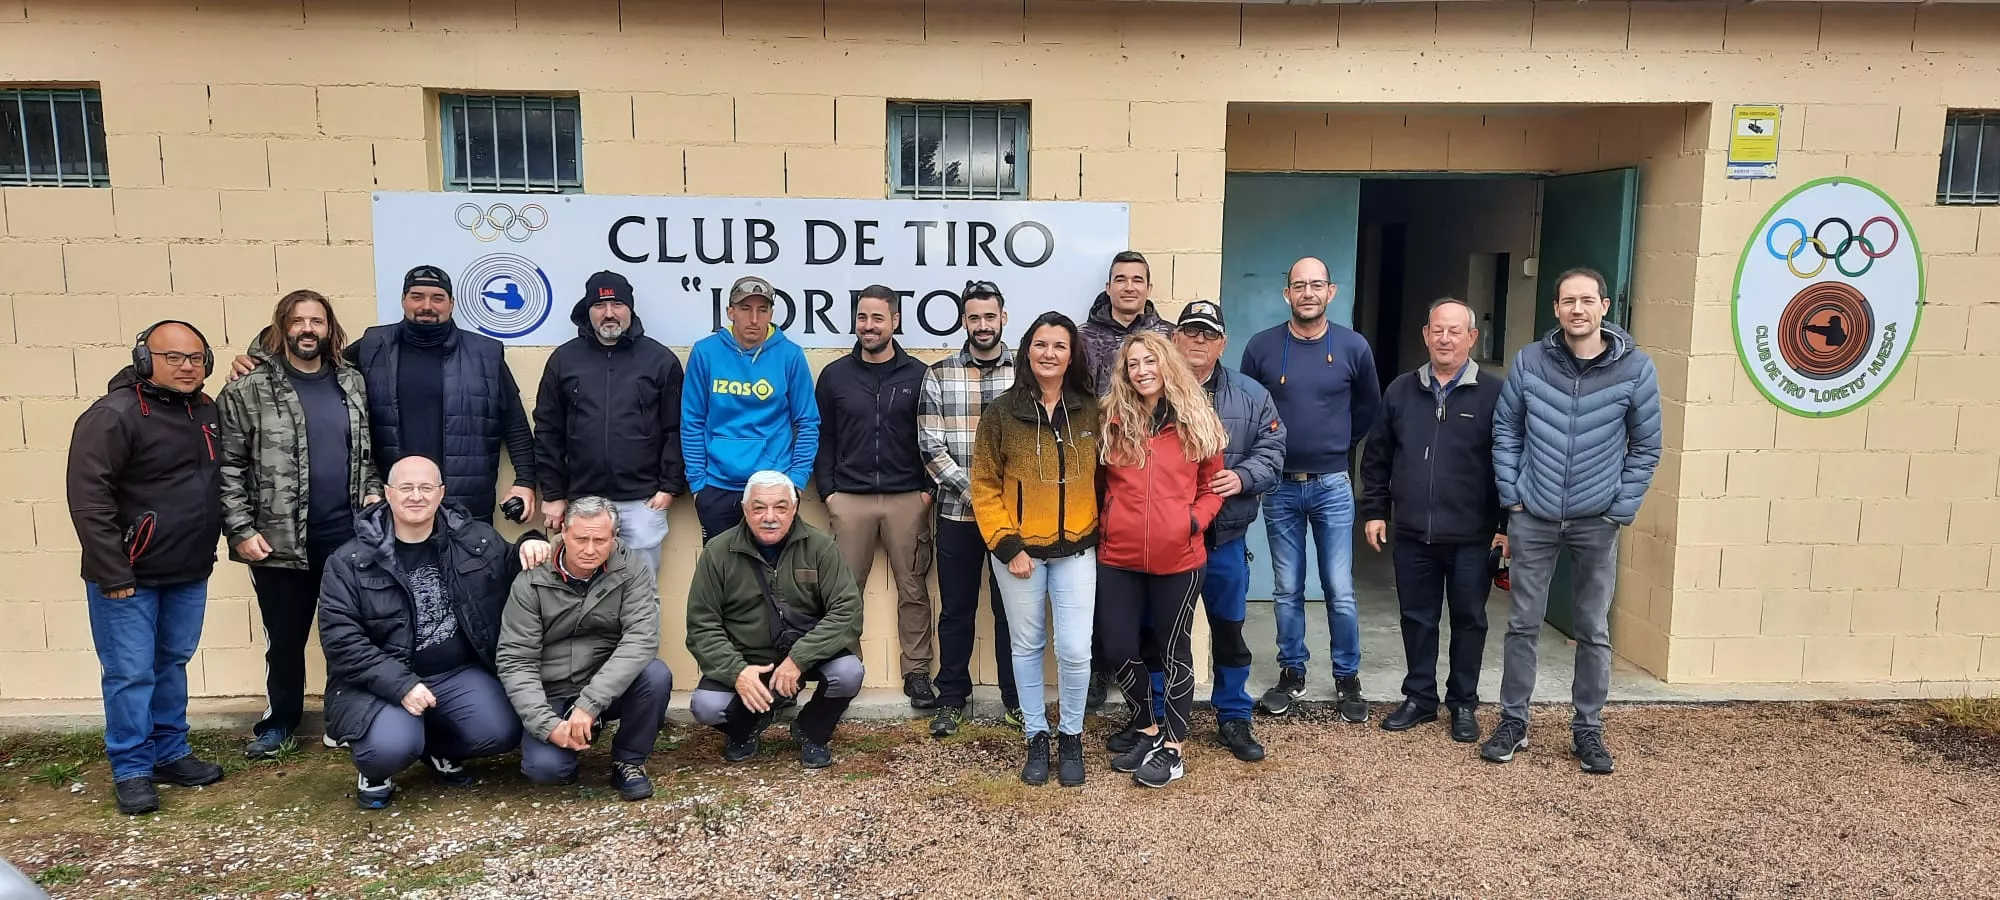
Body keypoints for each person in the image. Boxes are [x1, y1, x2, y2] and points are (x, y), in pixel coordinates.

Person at [1485, 268, 1661, 775]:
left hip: (1596, 519)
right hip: (1533, 516)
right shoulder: (1531, 361)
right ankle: (1514, 721)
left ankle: (1587, 730)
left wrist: (1619, 507)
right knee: (1522, 624)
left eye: (1587, 300)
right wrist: (1512, 496)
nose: (1577, 309)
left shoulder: (1636, 369)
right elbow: (1507, 429)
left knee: (1591, 627)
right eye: (1568, 301)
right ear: (1556, 308)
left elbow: (1646, 446)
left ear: (1605, 306)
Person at [318, 457, 550, 809]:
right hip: (383, 681)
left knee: (503, 730)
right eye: (406, 488)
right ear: (387, 494)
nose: (416, 496)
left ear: (440, 493)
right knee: (390, 748)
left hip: (455, 672)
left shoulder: (474, 538)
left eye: (426, 488)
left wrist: (530, 542)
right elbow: (342, 641)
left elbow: (508, 564)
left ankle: (436, 749)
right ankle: (377, 770)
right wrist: (401, 685)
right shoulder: (350, 560)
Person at [66, 320, 227, 816]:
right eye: (173, 357)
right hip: (127, 578)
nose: (186, 366)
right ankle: (132, 767)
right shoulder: (112, 416)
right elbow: (89, 500)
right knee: (130, 674)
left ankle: (170, 752)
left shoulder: (205, 409)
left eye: (195, 357)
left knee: (171, 663)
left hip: (187, 568)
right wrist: (112, 572)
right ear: (144, 359)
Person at [229, 265, 538, 523]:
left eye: (437, 298)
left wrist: (525, 481)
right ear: (403, 300)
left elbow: (514, 424)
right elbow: (312, 361)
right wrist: (258, 359)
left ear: (451, 303)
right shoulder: (374, 345)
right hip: (391, 501)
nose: (426, 306)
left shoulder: (485, 353)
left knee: (467, 591)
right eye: (417, 296)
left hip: (465, 501)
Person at [217, 290, 382, 759]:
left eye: (317, 321)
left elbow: (366, 452)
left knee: (346, 634)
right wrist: (241, 530)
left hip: (345, 535)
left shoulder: (352, 382)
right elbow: (227, 465)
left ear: (329, 329)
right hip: (277, 540)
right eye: (298, 321)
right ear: (282, 326)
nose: (307, 329)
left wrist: (371, 489)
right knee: (285, 640)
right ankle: (279, 723)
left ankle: (342, 719)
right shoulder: (248, 388)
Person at [1239, 257, 1381, 722]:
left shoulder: (1353, 347)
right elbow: (1247, 412)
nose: (1307, 293)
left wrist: (1337, 445)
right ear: (1287, 294)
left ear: (1331, 292)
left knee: (1339, 589)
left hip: (1332, 486)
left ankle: (1347, 677)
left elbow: (1367, 409)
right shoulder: (1261, 348)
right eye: (1298, 285)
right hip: (1278, 487)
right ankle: (1292, 673)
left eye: (1315, 285)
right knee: (1287, 588)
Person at [1359, 298, 1507, 745]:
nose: (1445, 339)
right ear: (1426, 334)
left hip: (1472, 537)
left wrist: (1504, 526)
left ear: (1471, 338)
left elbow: (1509, 463)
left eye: (1455, 331)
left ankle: (1463, 702)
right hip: (1412, 533)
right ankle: (1420, 698)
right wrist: (1374, 511)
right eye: (1437, 330)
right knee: (1416, 618)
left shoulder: (1496, 394)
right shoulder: (1401, 390)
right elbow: (1378, 455)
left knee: (1469, 620)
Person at [970, 312, 1101, 788]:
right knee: (1026, 646)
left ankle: (1071, 734)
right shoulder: (1002, 413)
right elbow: (983, 485)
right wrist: (1008, 546)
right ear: (1028, 350)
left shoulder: (1091, 409)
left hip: (1078, 550)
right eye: (1041, 344)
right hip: (1019, 554)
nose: (1050, 353)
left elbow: (1109, 476)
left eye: (1060, 346)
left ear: (1072, 355)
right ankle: (1035, 736)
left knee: (1074, 649)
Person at [1095, 332, 1226, 788]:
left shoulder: (1195, 419)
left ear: (1166, 363)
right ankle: (1147, 725)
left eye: (1150, 360)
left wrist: (1192, 521)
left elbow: (1212, 485)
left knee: (1174, 652)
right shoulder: (1112, 420)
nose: (1142, 370)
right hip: (1119, 555)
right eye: (1133, 364)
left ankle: (1173, 746)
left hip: (1180, 557)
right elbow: (1097, 484)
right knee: (1117, 646)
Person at [1169, 301, 1285, 763]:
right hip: (1168, 539)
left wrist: (1242, 477)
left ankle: (1233, 715)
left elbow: (1274, 451)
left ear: (1223, 342)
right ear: (1175, 338)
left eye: (1208, 334)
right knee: (1164, 632)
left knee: (1229, 631)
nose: (1198, 341)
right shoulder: (1153, 390)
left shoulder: (1252, 395)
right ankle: (1158, 714)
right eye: (1191, 332)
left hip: (1225, 538)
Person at [497, 496, 673, 802]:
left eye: (600, 539)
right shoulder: (531, 577)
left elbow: (641, 638)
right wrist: (548, 726)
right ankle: (568, 740)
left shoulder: (632, 569)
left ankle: (629, 761)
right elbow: (516, 660)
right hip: (552, 689)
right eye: (581, 538)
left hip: (604, 681)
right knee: (548, 772)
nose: (590, 549)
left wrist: (589, 704)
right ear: (563, 532)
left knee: (655, 675)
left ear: (614, 538)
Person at [686, 472, 865, 769]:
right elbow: (702, 626)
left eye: (780, 507)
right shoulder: (717, 553)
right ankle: (748, 727)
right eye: (759, 508)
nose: (770, 517)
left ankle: (811, 731)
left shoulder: (820, 547)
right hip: (746, 657)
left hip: (806, 653)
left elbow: (847, 611)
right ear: (745, 510)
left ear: (794, 509)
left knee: (848, 672)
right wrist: (737, 673)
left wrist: (800, 659)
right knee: (706, 707)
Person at [814, 285, 937, 710]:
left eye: (877, 318)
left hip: (908, 498)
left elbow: (930, 437)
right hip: (849, 497)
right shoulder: (835, 376)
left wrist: (927, 490)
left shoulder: (920, 375)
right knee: (845, 590)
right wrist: (828, 491)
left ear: (895, 321)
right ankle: (845, 669)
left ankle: (917, 672)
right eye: (863, 318)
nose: (869, 326)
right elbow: (823, 436)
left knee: (914, 588)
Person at [918, 281, 1022, 737]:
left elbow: (1034, 446)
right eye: (974, 317)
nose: (983, 325)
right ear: (964, 321)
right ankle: (952, 700)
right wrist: (981, 498)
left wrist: (1002, 504)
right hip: (956, 514)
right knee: (956, 611)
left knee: (1012, 612)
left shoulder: (1026, 372)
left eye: (990, 316)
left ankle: (1017, 701)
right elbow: (930, 447)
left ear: (1003, 318)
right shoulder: (938, 375)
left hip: (1013, 521)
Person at [533, 271, 686, 580]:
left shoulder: (659, 360)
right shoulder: (564, 360)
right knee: (581, 594)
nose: (609, 313)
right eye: (600, 305)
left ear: (630, 308)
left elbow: (677, 429)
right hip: (582, 501)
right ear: (588, 310)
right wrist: (552, 493)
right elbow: (547, 430)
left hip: (642, 502)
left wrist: (669, 487)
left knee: (641, 594)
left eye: (617, 304)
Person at [1077, 250, 1172, 710]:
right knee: (1103, 576)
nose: (1129, 286)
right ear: (1109, 286)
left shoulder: (1166, 337)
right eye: (1121, 279)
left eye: (1138, 279)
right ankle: (1100, 667)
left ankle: (1150, 677)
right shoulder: (1084, 338)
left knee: (1153, 577)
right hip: (1101, 470)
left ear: (1149, 287)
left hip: (1156, 473)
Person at [682, 276, 820, 542]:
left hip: (772, 487)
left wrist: (796, 483)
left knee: (772, 576)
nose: (754, 319)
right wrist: (698, 484)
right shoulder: (705, 353)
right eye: (745, 309)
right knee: (721, 574)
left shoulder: (790, 355)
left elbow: (808, 423)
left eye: (763, 310)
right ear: (730, 312)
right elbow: (692, 421)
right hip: (717, 486)